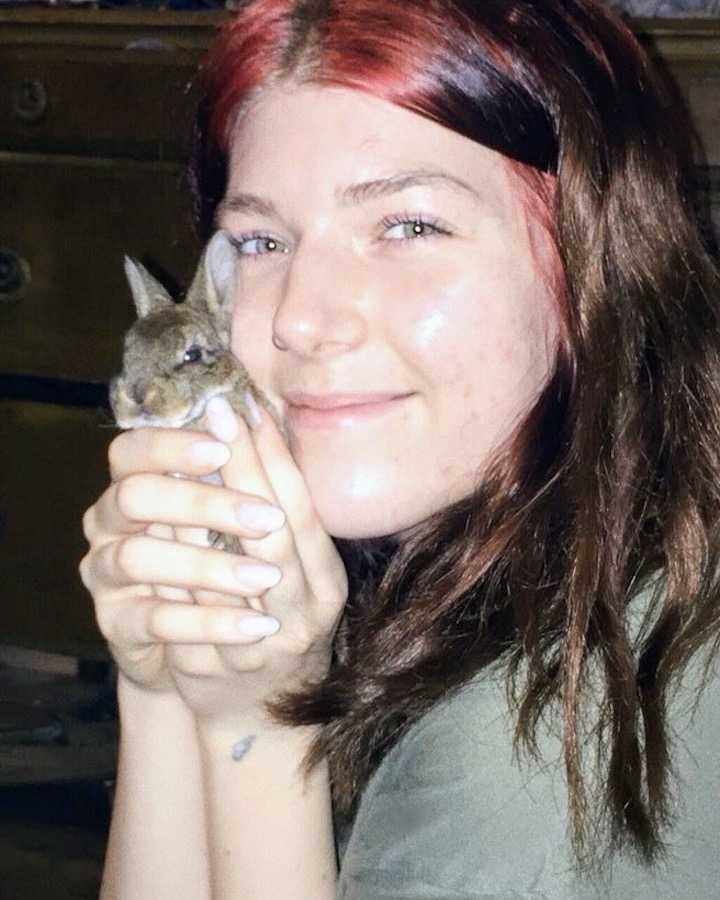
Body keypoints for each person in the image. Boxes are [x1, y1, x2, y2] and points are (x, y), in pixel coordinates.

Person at [80, 1, 720, 897]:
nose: (300, 317)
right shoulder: (469, 559)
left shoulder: (524, 784)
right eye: (260, 240)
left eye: (408, 226)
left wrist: (260, 729)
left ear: (597, 257)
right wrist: (170, 689)